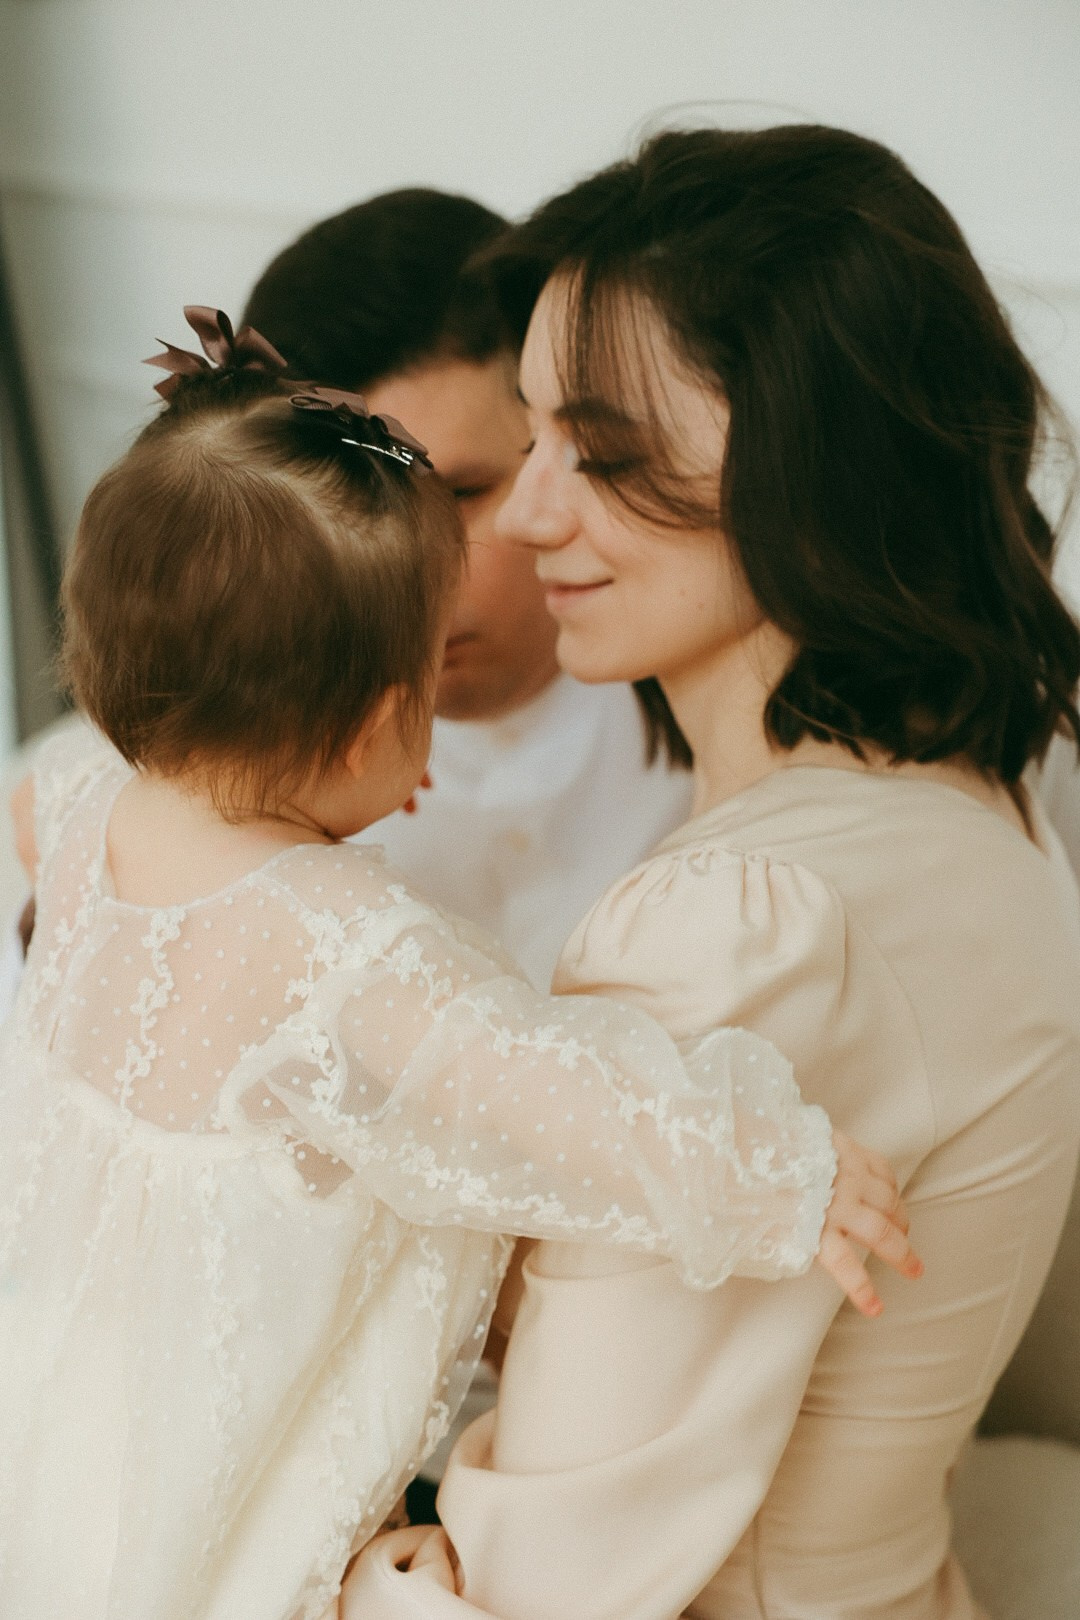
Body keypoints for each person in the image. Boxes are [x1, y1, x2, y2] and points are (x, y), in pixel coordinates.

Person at [0, 307, 916, 1620]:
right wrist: (786, 1172)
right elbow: (555, 1097)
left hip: (47, 1432)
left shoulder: (91, 805)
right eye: (423, 690)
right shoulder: (346, 955)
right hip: (201, 1522)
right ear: (375, 720)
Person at [344, 125, 1080, 1620]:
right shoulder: (984, 802)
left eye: (602, 456)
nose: (537, 515)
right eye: (535, 436)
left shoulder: (748, 926)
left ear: (819, 464)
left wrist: (358, 1578)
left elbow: (558, 1580)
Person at [243, 189, 692, 992]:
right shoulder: (194, 761)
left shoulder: (723, 722)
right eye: (346, 512)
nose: (413, 573)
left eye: (460, 495)